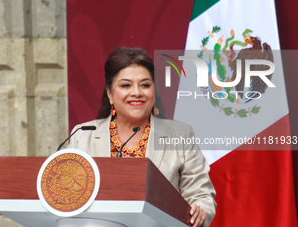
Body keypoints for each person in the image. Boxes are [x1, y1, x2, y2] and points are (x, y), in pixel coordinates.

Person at [68, 46, 216, 227]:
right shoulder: (82, 135)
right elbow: (65, 193)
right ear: (110, 93)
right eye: (125, 85)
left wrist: (199, 208)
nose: (137, 92)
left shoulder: (180, 135)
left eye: (145, 85)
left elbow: (201, 195)